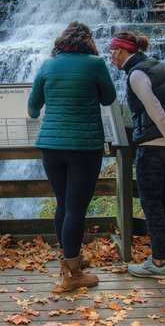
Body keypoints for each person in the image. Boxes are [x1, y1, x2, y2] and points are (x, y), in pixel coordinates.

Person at [28, 21, 117, 291]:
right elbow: (109, 98)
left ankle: (69, 260)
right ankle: (72, 275)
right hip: (83, 146)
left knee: (63, 204)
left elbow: (33, 108)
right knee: (76, 208)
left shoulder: (47, 65)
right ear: (87, 41)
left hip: (51, 147)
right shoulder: (95, 64)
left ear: (61, 41)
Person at [109, 30, 165, 279]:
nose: (111, 58)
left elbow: (156, 112)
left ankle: (157, 262)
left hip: (153, 146)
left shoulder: (136, 74)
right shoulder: (157, 66)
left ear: (123, 51)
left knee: (151, 203)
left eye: (113, 52)